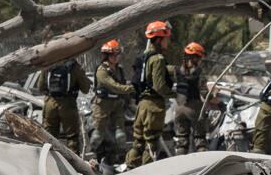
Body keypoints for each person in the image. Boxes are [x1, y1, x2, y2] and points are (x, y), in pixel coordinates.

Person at [127, 21, 173, 167]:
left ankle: (130, 170)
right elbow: (159, 85)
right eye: (166, 39)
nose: (168, 42)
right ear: (159, 39)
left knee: (138, 144)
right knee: (151, 145)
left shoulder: (145, 56)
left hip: (142, 105)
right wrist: (174, 94)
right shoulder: (158, 59)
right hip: (153, 106)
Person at [35, 50, 91, 152]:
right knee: (72, 137)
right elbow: (86, 89)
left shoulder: (48, 64)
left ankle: (49, 160)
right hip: (68, 104)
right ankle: (73, 164)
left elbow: (40, 87)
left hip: (50, 104)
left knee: (49, 136)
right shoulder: (74, 66)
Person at [91, 39, 134, 167]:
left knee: (121, 134)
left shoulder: (119, 70)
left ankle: (121, 159)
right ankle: (92, 157)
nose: (115, 57)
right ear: (107, 55)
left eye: (117, 55)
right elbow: (113, 85)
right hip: (103, 105)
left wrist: (128, 98)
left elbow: (122, 84)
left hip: (117, 104)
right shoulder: (102, 70)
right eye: (113, 55)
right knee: (98, 135)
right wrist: (130, 88)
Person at [171, 41, 208, 154]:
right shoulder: (199, 72)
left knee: (182, 141)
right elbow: (204, 92)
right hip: (194, 108)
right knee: (199, 140)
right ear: (196, 57)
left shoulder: (177, 70)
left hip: (179, 109)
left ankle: (180, 165)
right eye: (200, 57)